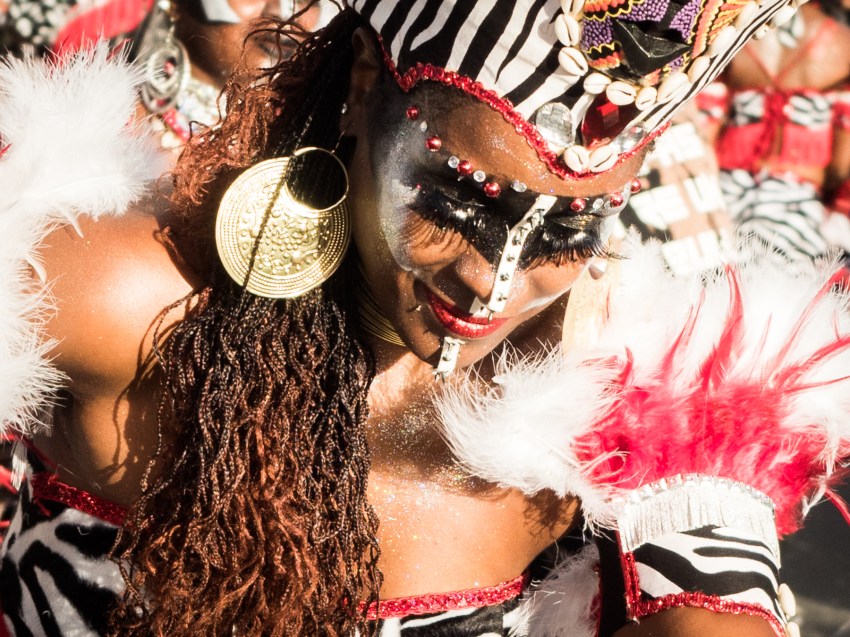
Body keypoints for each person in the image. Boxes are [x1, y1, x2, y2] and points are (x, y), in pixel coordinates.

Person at [2, 1, 849, 636]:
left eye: (567, 228)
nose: (492, 283)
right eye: (461, 197)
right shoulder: (126, 303)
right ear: (367, 82)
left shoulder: (633, 416)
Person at [701, 0, 850, 269]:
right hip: (795, 205)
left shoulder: (729, 28)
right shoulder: (842, 41)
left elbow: (705, 132)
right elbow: (841, 167)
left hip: (725, 193)